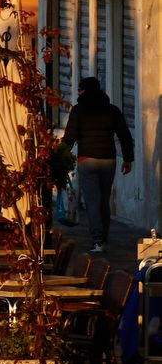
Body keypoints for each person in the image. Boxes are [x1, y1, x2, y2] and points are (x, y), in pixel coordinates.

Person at [67, 75, 137, 253]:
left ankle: (97, 240)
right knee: (103, 201)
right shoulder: (112, 110)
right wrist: (128, 159)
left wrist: (61, 159)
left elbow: (69, 137)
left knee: (92, 201)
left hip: (86, 160)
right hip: (108, 160)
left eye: (80, 90)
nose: (78, 93)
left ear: (84, 91)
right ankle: (103, 237)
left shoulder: (78, 110)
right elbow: (124, 135)